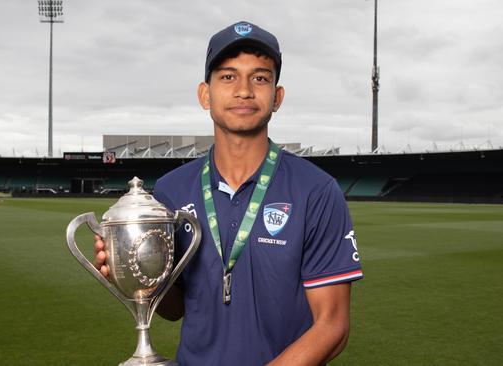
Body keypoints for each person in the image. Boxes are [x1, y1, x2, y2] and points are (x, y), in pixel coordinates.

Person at [94, 21, 363, 366]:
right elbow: (174, 309)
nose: (244, 91)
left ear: (277, 97)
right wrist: (133, 272)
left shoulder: (316, 190)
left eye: (260, 78)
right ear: (205, 94)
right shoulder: (170, 191)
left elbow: (332, 325)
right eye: (228, 76)